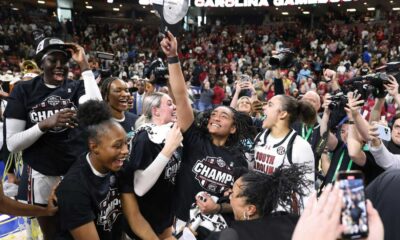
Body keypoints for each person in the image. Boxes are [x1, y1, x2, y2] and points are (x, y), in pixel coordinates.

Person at [4, 38, 102, 239]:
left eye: (64, 60)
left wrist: (83, 65)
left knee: (82, 228)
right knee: (52, 233)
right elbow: (13, 144)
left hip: (75, 171)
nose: (59, 65)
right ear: (41, 63)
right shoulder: (24, 90)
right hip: (41, 173)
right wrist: (44, 125)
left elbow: (98, 112)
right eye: (53, 60)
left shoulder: (75, 87)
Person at [161, 32, 249, 229]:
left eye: (223, 116)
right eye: (214, 114)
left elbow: (241, 203)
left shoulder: (239, 160)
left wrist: (217, 208)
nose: (216, 117)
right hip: (179, 222)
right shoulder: (194, 138)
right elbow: (181, 95)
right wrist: (173, 56)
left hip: (213, 228)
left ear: (233, 128)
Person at [56, 100, 156, 240]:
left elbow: (135, 218)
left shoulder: (119, 167)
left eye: (126, 144)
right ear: (94, 146)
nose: (125, 151)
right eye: (117, 146)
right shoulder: (74, 189)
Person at [120, 92, 183, 239]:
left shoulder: (171, 134)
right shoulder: (144, 139)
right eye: (169, 104)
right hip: (143, 222)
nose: (174, 107)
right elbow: (140, 188)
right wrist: (168, 149)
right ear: (155, 111)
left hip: (165, 216)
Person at [211, 165, 309, 240]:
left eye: (233, 194)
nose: (229, 197)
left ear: (250, 209)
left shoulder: (232, 235)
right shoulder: (290, 221)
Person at [253, 94, 315, 210]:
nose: (264, 107)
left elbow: (307, 192)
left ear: (282, 114)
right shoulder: (259, 137)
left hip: (280, 216)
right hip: (255, 208)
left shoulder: (300, 146)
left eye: (270, 105)